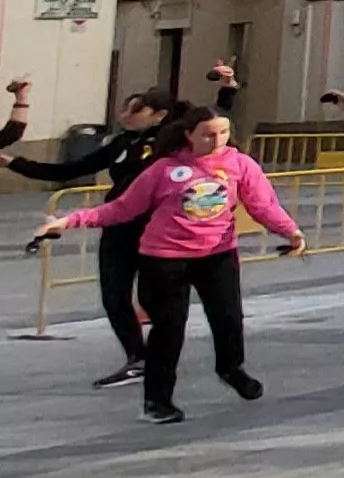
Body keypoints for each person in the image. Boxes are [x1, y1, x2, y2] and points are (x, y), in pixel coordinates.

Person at [33, 101, 303, 424]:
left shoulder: (239, 164)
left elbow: (263, 205)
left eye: (223, 133)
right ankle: (157, 402)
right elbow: (121, 208)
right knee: (169, 329)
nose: (217, 141)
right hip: (164, 259)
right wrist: (68, 221)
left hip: (217, 255)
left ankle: (231, 369)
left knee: (229, 318)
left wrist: (291, 232)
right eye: (208, 135)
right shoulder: (163, 169)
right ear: (189, 134)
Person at [8, 92, 169, 387]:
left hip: (156, 228)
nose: (126, 115)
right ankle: (137, 359)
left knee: (155, 297)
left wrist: (227, 91)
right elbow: (71, 169)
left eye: (136, 110)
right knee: (114, 295)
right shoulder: (121, 143)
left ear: (159, 115)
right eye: (124, 108)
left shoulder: (171, 144)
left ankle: (161, 360)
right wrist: (13, 163)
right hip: (118, 225)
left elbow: (214, 122)